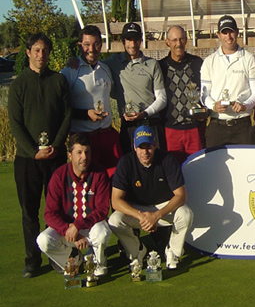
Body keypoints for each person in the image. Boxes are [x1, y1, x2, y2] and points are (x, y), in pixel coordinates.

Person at [8, 32, 71, 278]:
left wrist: (55, 145)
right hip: (27, 160)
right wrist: (33, 152)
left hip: (56, 156)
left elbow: (66, 116)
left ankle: (56, 255)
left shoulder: (59, 81)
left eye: (45, 50)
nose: (40, 55)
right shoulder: (18, 84)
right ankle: (32, 261)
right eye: (36, 50)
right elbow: (15, 123)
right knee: (29, 212)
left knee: (56, 209)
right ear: (28, 53)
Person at [109, 125, 193, 269]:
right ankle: (137, 251)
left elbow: (181, 196)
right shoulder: (126, 162)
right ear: (135, 147)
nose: (145, 152)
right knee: (115, 220)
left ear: (155, 145)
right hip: (138, 210)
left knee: (185, 214)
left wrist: (157, 215)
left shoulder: (167, 160)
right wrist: (142, 216)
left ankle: (173, 252)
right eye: (141, 147)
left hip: (163, 208)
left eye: (149, 147)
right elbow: (115, 201)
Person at [36, 133, 112, 276]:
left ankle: (99, 263)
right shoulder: (59, 176)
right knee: (43, 240)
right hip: (68, 230)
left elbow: (102, 209)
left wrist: (78, 226)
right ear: (70, 155)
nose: (84, 157)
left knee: (102, 232)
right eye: (79, 153)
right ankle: (72, 260)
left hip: (89, 227)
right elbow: (49, 213)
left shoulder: (99, 173)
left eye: (87, 152)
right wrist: (69, 230)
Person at [61, 25, 122, 176]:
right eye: (87, 44)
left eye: (96, 44)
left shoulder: (105, 69)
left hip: (107, 136)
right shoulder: (69, 71)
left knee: (116, 182)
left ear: (101, 46)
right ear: (80, 45)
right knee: (88, 184)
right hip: (83, 138)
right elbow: (61, 107)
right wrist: (85, 114)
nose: (91, 49)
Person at [104, 22, 167, 154]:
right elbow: (92, 62)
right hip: (129, 125)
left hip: (150, 122)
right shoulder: (112, 63)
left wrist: (144, 113)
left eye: (136, 40)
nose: (132, 44)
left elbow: (162, 99)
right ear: (122, 41)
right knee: (130, 166)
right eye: (129, 40)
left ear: (141, 40)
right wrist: (74, 61)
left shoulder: (152, 64)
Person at [201, 15, 255, 147]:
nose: (228, 37)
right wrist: (213, 106)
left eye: (231, 32)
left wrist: (245, 105)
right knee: (215, 167)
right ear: (218, 35)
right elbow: (204, 94)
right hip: (217, 125)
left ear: (237, 32)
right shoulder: (209, 61)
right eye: (224, 32)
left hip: (242, 125)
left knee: (244, 166)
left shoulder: (249, 59)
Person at [159, 25, 205, 163]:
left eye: (181, 39)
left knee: (198, 167)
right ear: (167, 42)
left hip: (195, 129)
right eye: (174, 40)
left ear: (186, 40)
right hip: (171, 129)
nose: (178, 44)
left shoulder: (197, 64)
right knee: (174, 171)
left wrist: (204, 113)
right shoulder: (160, 67)